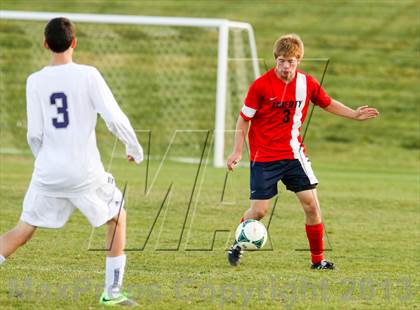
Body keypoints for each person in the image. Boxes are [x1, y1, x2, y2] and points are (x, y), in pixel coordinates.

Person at [0, 17, 143, 305]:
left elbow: (34, 134)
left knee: (22, 230)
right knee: (117, 217)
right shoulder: (88, 75)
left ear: (45, 44)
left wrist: (47, 162)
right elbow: (113, 116)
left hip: (48, 172)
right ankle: (112, 293)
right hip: (84, 173)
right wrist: (134, 147)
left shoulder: (35, 81)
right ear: (74, 43)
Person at [226, 34, 379, 269]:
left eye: (291, 62)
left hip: (294, 156)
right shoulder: (260, 86)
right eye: (282, 61)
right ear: (276, 59)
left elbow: (327, 102)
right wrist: (237, 151)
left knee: (312, 206)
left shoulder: (307, 83)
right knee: (258, 212)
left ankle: (318, 261)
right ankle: (237, 244)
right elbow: (243, 119)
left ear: (298, 61)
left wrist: (354, 114)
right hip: (264, 158)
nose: (286, 67)